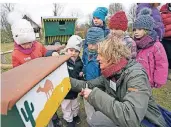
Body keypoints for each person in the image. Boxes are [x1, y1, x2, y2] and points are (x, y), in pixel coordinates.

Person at [69, 36, 167, 127]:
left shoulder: (136, 76)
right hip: (128, 118)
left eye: (100, 54)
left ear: (112, 56)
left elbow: (130, 117)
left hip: (147, 121)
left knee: (97, 120)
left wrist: (94, 95)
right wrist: (65, 80)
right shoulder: (109, 73)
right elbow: (88, 84)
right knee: (95, 119)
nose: (97, 58)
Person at [8, 13, 63, 127]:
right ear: (18, 42)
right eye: (24, 44)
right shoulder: (16, 54)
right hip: (30, 84)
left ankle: (55, 117)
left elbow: (44, 52)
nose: (28, 46)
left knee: (50, 99)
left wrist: (51, 53)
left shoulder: (37, 45)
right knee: (39, 104)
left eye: (29, 42)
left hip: (43, 78)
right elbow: (16, 73)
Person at [133, 8, 168, 88]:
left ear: (147, 30)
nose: (136, 32)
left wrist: (158, 80)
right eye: (134, 29)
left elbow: (161, 64)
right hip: (135, 78)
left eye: (139, 29)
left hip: (148, 81)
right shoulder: (134, 44)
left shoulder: (156, 46)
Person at [61, 35, 84, 127]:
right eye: (71, 50)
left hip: (74, 90)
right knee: (66, 106)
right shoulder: (62, 60)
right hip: (64, 90)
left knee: (74, 104)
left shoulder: (79, 62)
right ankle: (69, 120)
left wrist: (81, 76)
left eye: (76, 51)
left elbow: (80, 74)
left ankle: (74, 115)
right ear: (67, 49)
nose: (73, 53)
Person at [160, 3, 171, 80]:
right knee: (167, 56)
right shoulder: (163, 12)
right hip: (166, 38)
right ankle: (167, 73)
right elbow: (161, 26)